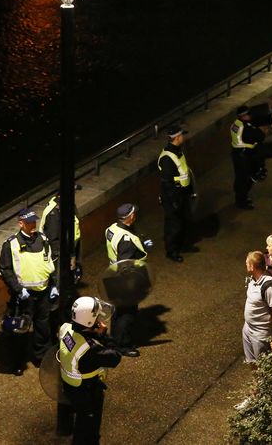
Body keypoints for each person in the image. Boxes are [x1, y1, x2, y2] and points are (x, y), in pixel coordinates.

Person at [0, 208, 57, 376]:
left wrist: (53, 284)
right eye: (30, 222)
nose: (33, 224)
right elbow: (4, 270)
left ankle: (42, 358)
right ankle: (18, 363)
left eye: (34, 221)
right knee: (20, 330)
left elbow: (49, 263)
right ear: (21, 223)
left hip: (43, 292)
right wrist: (18, 290)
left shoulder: (43, 239)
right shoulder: (11, 244)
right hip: (24, 296)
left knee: (43, 326)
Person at [59, 296, 122, 445]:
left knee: (81, 417)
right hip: (86, 390)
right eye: (97, 316)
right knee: (88, 424)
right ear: (88, 322)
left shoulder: (65, 328)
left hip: (69, 386)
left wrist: (93, 332)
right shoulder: (90, 350)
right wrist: (105, 337)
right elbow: (115, 357)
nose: (100, 318)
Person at [105, 203, 153, 357]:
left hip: (112, 275)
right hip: (124, 281)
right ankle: (122, 345)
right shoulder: (126, 240)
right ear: (130, 217)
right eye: (134, 214)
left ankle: (115, 339)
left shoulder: (112, 228)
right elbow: (125, 264)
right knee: (127, 313)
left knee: (118, 311)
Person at [39, 193, 82, 337]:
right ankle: (56, 329)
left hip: (65, 254)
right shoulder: (54, 213)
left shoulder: (64, 208)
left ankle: (62, 323)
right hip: (57, 259)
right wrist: (66, 261)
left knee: (64, 291)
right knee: (57, 295)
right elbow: (53, 242)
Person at [157, 124, 196, 262]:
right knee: (173, 225)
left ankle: (185, 246)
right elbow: (167, 183)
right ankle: (171, 251)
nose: (183, 137)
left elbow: (185, 173)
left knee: (186, 220)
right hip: (172, 197)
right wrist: (174, 201)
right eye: (182, 135)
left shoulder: (177, 151)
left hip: (181, 193)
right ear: (177, 137)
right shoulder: (167, 158)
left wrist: (190, 191)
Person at [242, 251, 272, 366]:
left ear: (252, 266)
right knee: (252, 363)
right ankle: (256, 383)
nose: (245, 265)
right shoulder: (252, 280)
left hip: (261, 334)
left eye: (246, 263)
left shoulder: (269, 287)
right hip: (248, 329)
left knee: (264, 367)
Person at [230, 105, 267, 209]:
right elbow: (260, 136)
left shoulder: (236, 124)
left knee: (240, 179)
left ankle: (241, 198)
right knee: (245, 179)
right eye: (248, 114)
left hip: (237, 153)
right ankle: (242, 202)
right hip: (245, 155)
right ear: (243, 116)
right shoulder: (246, 128)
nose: (250, 115)